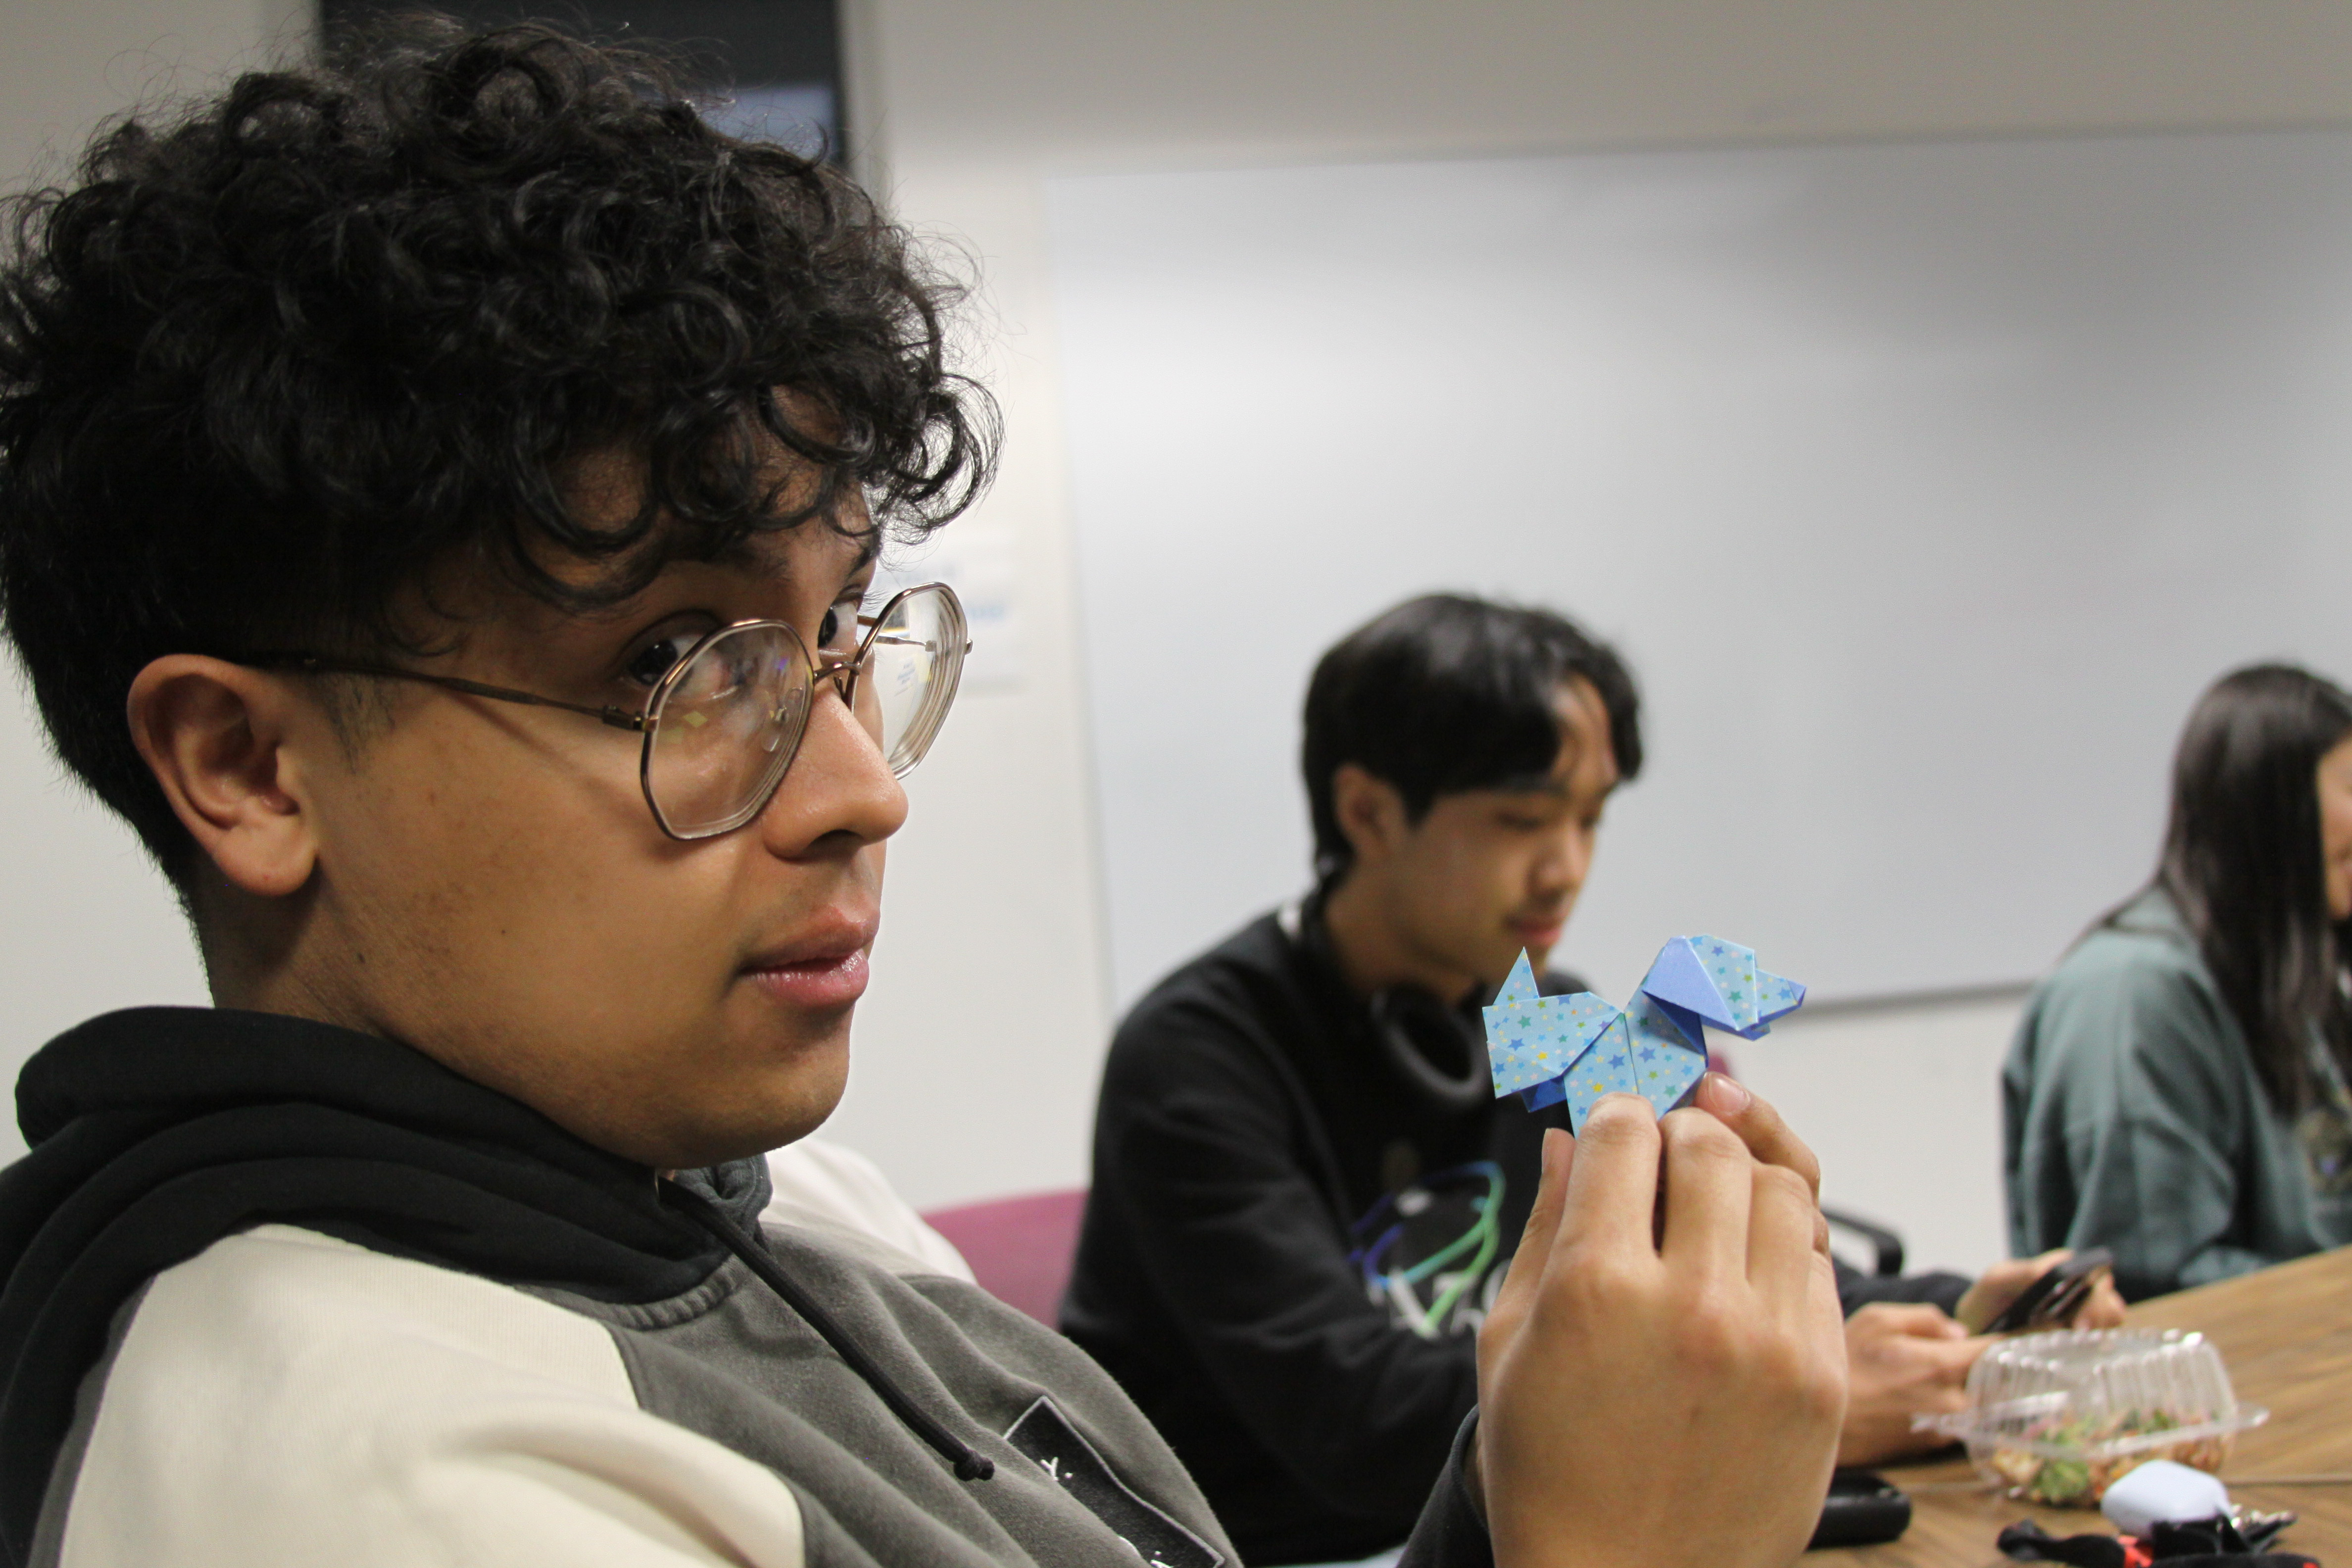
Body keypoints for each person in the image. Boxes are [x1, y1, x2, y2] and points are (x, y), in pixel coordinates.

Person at [0, 23, 1851, 1568]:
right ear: (249, 768)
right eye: (671, 660)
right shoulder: (383, 1487)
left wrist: (1533, 1476)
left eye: (839, 639)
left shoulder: (767, 1189)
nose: (863, 790)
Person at [1065, 594, 2122, 1566]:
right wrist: (1788, 1406)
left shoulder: (1549, 1012)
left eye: (1591, 819)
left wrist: (1959, 1309)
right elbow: (1356, 1427)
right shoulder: (1199, 1055)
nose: (1567, 867)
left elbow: (1704, 1273)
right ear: (1369, 813)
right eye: (1524, 821)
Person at [2006, 663, 2352, 1302]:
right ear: (2271, 807)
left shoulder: (2292, 974)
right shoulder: (2136, 992)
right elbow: (2151, 1275)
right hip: (2224, 1357)